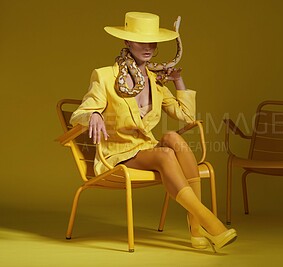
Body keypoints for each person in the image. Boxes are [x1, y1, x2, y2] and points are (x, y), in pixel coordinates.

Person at [70, 11, 237, 252]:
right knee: (165, 154)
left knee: (172, 138)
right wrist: (94, 114)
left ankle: (196, 229)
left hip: (144, 149)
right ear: (127, 42)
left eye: (152, 42)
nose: (148, 47)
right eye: (141, 41)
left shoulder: (155, 82)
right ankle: (209, 222)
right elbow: (79, 114)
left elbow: (187, 116)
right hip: (116, 155)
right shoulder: (105, 76)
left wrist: (178, 81)